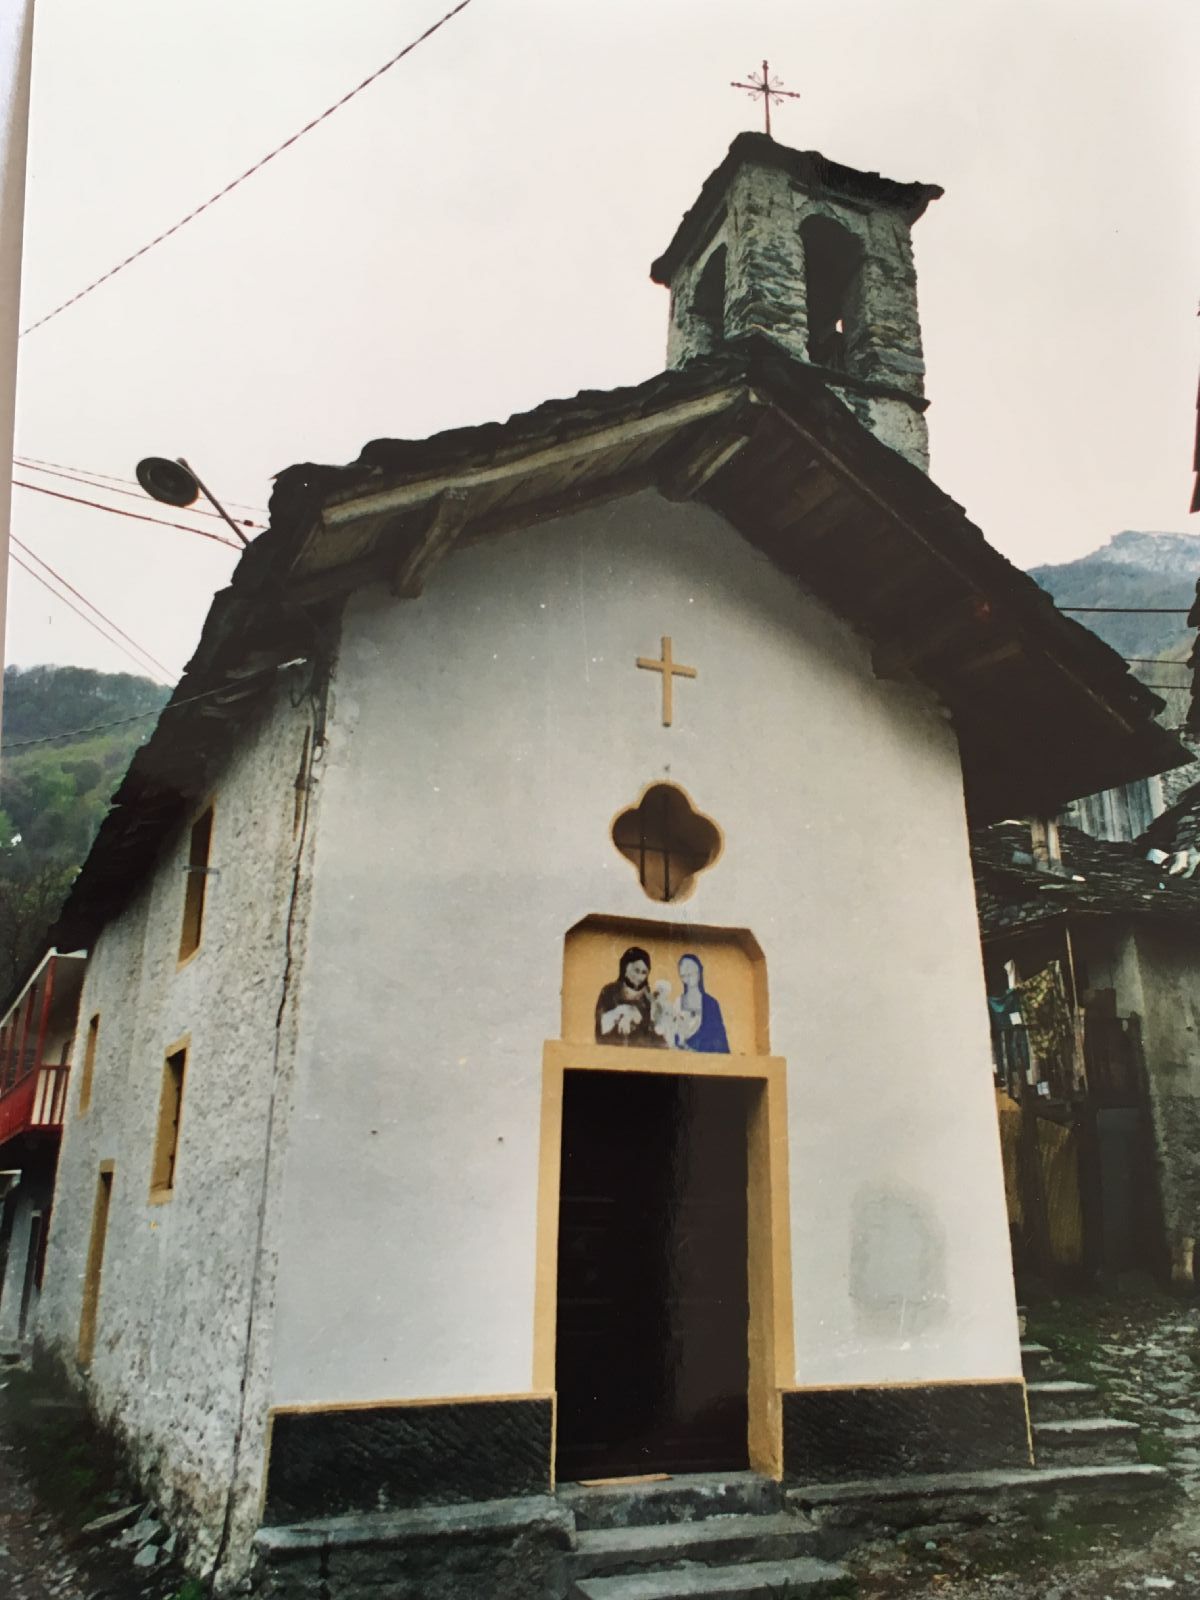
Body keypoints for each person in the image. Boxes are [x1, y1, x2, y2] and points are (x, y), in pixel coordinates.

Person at [594, 947, 665, 1047]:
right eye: (636, 970)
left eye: (644, 972)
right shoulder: (609, 991)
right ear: (626, 968)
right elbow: (601, 1026)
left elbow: (652, 1033)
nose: (639, 977)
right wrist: (623, 1010)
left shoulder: (648, 999)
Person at [676, 953, 729, 1053]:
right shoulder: (678, 1003)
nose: (689, 976)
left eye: (692, 972)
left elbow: (719, 1039)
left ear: (699, 972)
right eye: (684, 974)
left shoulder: (711, 1004)